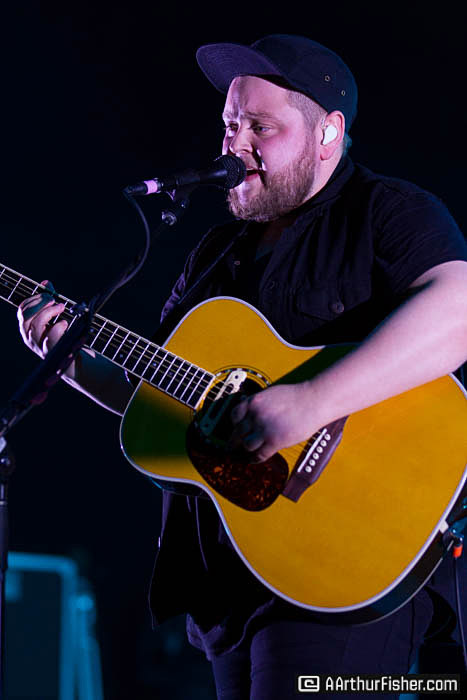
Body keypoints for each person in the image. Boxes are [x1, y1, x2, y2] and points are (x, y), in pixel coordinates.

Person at [18, 34, 467, 699]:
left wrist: (310, 403)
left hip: (345, 564)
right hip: (229, 574)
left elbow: (458, 309)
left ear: (327, 133)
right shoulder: (213, 254)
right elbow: (163, 391)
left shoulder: (387, 211)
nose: (234, 144)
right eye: (230, 125)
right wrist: (73, 362)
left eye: (260, 126)